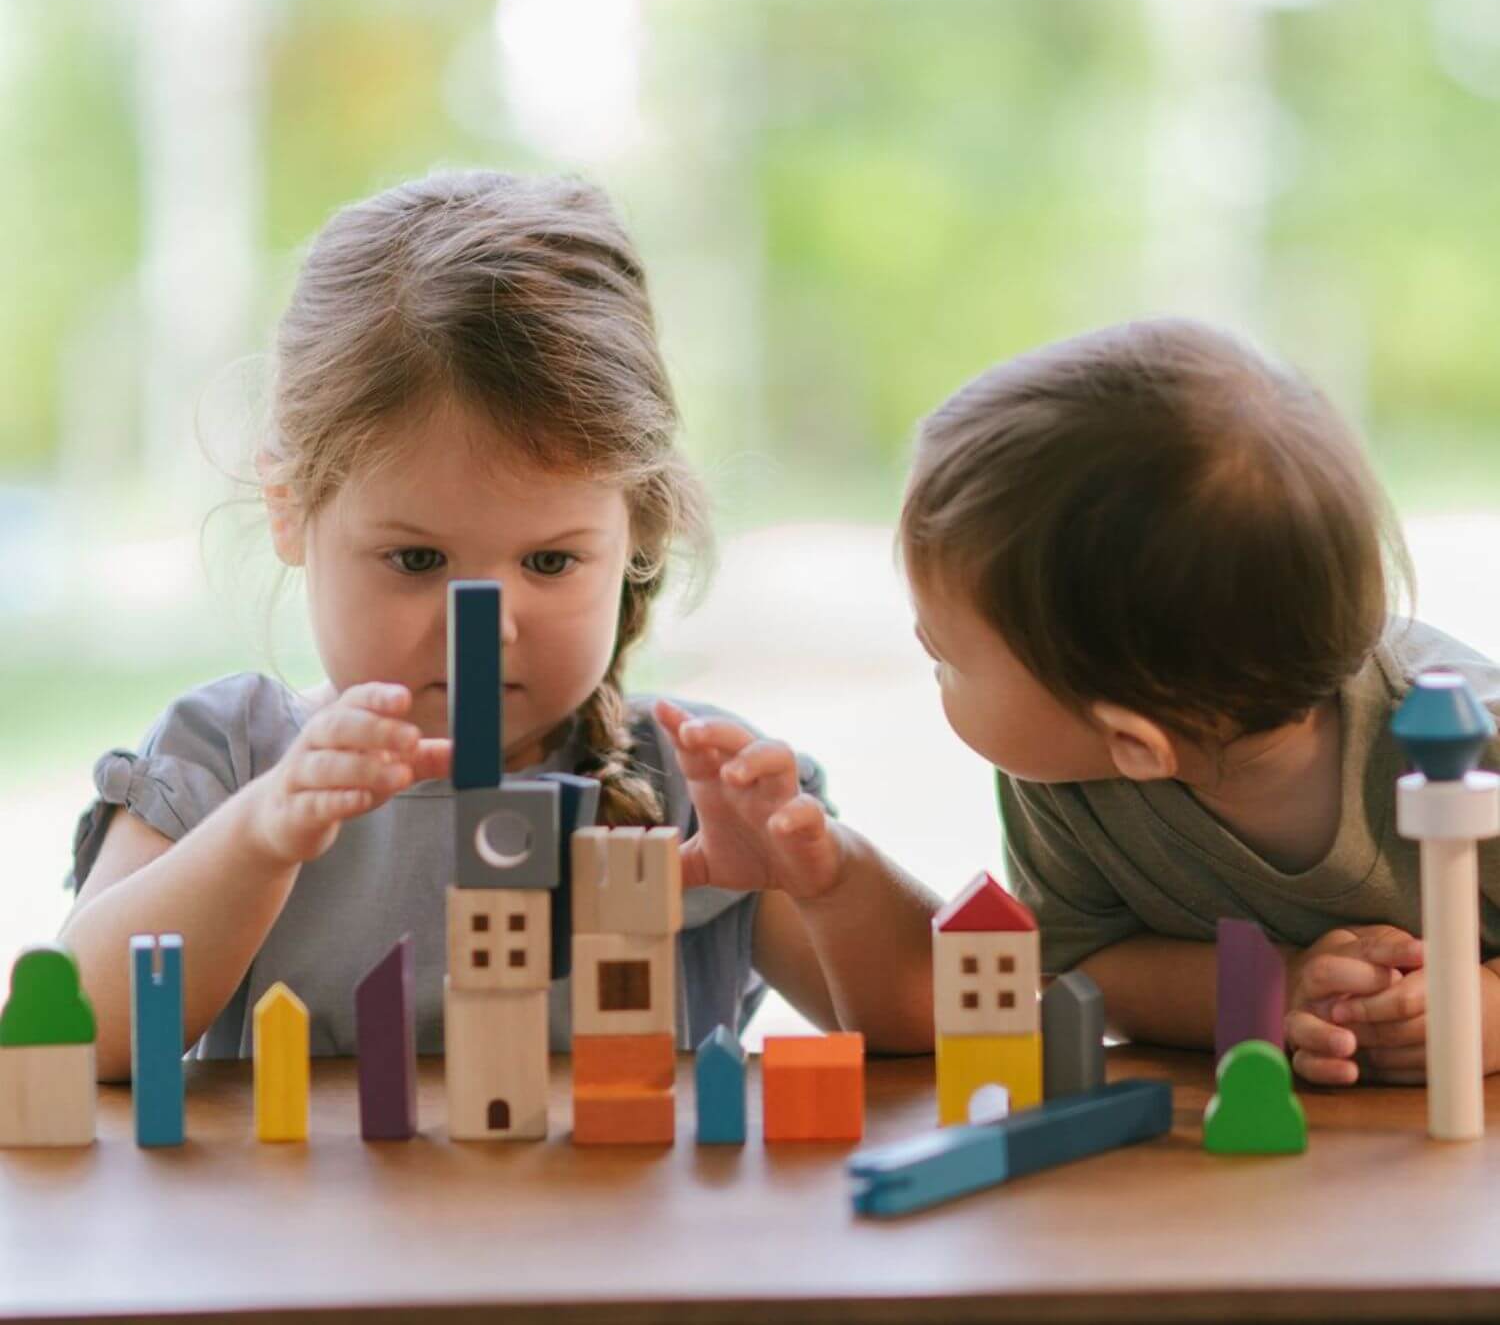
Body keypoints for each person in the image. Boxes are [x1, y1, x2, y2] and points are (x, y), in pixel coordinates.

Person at [63, 170, 938, 1080]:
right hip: (303, 1228)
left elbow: (939, 1024)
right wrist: (256, 839)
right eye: (416, 561)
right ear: (290, 508)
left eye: (550, 563)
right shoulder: (232, 759)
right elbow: (75, 1039)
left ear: (636, 530)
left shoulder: (690, 787)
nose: (487, 628)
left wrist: (825, 873)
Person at [898, 316, 1500, 1087]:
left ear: (1137, 745)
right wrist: (1275, 990)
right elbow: (1084, 966)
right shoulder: (1062, 769)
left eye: (948, 656)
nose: (921, 645)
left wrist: (1484, 1013)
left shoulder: (1466, 740)